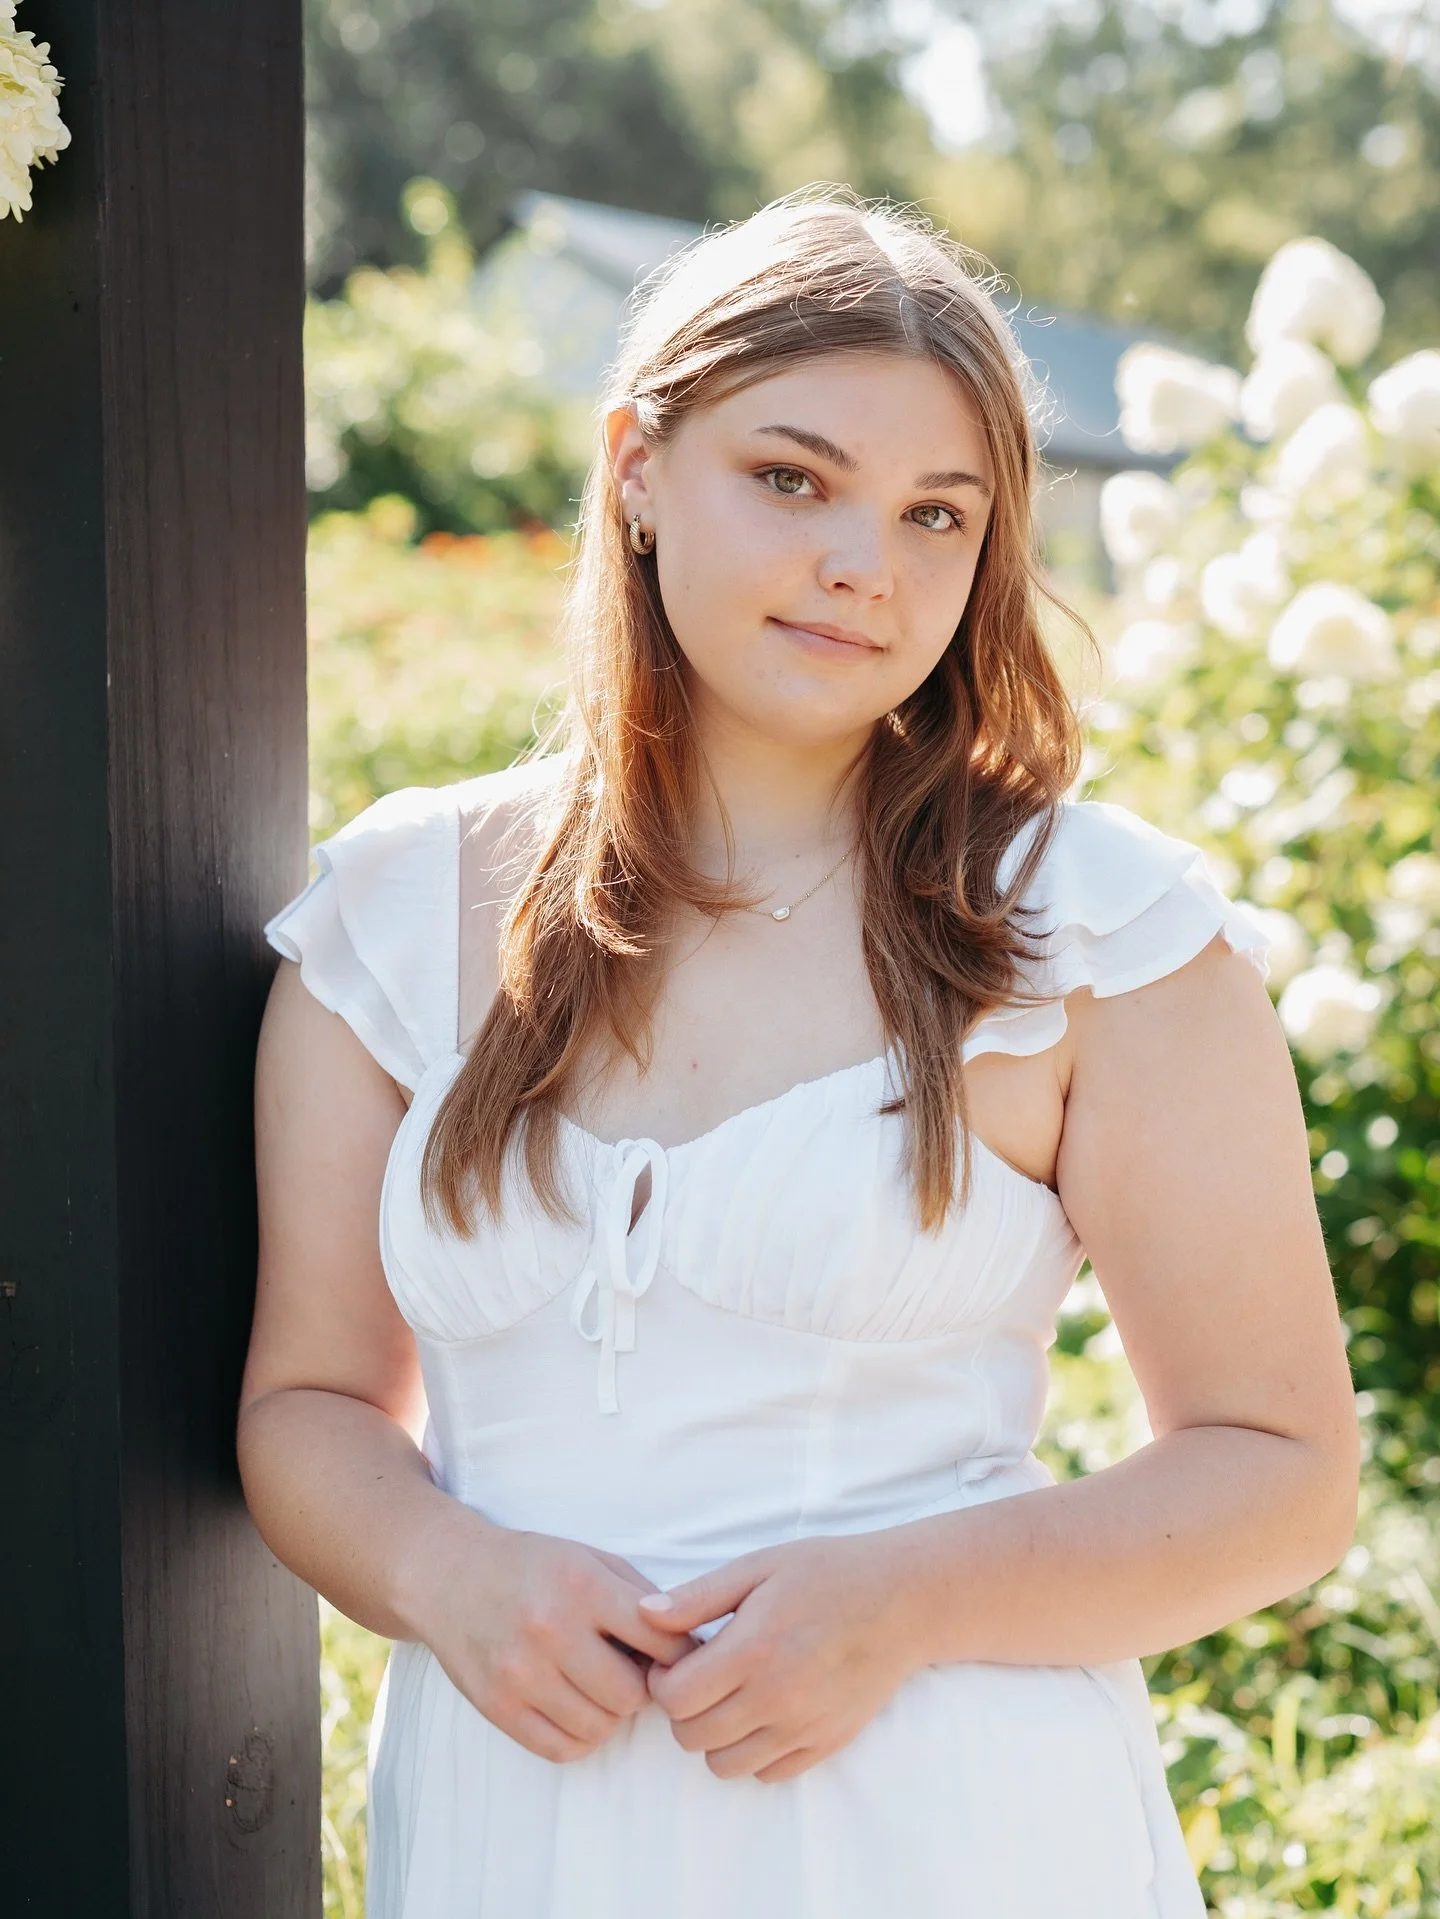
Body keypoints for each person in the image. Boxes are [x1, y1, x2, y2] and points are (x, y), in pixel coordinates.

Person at [238, 186, 1360, 1918]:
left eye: (936, 515)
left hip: (946, 1829)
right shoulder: (396, 918)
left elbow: (1279, 1470)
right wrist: (441, 1565)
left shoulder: (1097, 931)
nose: (866, 564)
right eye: (791, 478)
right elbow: (311, 1403)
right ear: (634, 465)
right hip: (515, 1833)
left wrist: (905, 1598)